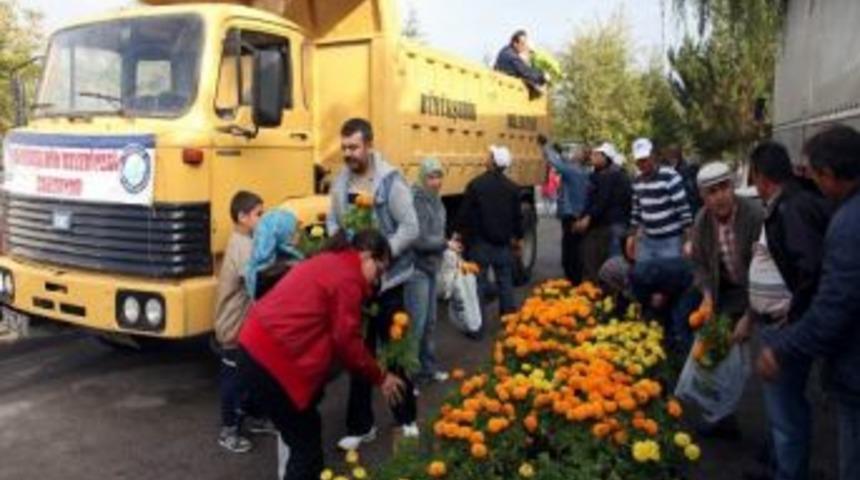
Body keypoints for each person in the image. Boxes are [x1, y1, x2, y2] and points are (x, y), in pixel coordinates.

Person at [237, 230, 406, 480]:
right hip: (272, 362)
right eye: (378, 272)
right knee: (306, 450)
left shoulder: (328, 260)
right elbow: (347, 342)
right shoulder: (348, 278)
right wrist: (381, 377)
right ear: (367, 256)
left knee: (306, 431)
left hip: (254, 348)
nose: (376, 282)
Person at [758, 125, 860, 480]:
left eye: (816, 175)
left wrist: (785, 345)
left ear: (830, 175)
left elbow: (831, 299)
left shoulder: (844, 222)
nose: (814, 183)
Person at [326, 118, 420, 450]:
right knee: (359, 354)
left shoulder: (390, 181)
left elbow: (411, 227)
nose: (348, 153)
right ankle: (360, 425)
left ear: (369, 144)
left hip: (389, 282)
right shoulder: (340, 182)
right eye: (345, 147)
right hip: (356, 284)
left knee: (394, 350)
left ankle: (406, 418)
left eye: (354, 147)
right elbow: (333, 221)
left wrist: (380, 258)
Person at [747, 141, 831, 480]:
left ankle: (789, 473)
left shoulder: (792, 208)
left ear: (762, 176)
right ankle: (782, 466)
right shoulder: (785, 203)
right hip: (779, 323)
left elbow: (810, 269)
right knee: (784, 407)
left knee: (787, 411)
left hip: (786, 328)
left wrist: (793, 316)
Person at [689, 161, 764, 435]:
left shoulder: (755, 216)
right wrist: (707, 296)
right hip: (726, 291)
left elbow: (768, 273)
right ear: (703, 196)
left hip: (759, 289)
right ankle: (722, 417)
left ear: (732, 187)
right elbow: (698, 264)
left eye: (723, 188)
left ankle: (777, 448)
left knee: (761, 363)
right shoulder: (701, 220)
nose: (719, 196)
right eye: (711, 191)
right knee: (718, 354)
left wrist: (749, 317)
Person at [214, 191, 264, 453]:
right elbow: (255, 282)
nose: (262, 219)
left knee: (252, 373)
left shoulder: (245, 240)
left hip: (243, 325)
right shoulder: (242, 246)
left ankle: (254, 417)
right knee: (234, 378)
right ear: (243, 217)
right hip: (234, 326)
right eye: (259, 214)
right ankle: (229, 429)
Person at [405, 158, 458, 384]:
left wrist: (447, 242)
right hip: (416, 269)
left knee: (431, 322)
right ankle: (411, 377)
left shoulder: (436, 201)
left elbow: (436, 232)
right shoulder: (416, 200)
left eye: (438, 177)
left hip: (431, 267)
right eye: (431, 177)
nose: (436, 182)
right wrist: (445, 244)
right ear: (422, 177)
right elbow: (418, 240)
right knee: (416, 325)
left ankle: (429, 367)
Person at [455, 145, 524, 317]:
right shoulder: (513, 188)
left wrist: (458, 235)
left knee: (479, 284)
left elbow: (464, 214)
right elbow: (518, 218)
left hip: (481, 245)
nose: (485, 157)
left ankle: (478, 325)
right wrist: (518, 239)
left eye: (489, 155)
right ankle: (508, 320)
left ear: (493, 161)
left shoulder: (476, 185)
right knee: (505, 282)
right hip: (503, 245)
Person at [627, 138, 693, 262]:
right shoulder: (637, 180)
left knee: (669, 278)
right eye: (639, 160)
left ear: (652, 155)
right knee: (646, 277)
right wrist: (631, 235)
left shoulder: (670, 176)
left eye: (645, 159)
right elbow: (636, 211)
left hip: (671, 240)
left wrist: (689, 239)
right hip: (648, 240)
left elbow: (683, 209)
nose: (642, 163)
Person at [538, 135, 589, 284]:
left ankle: (573, 280)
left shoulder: (573, 171)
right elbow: (563, 161)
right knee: (577, 248)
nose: (572, 153)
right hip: (579, 214)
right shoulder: (583, 170)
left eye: (576, 151)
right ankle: (577, 278)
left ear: (581, 157)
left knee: (570, 250)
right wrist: (557, 151)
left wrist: (545, 145)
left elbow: (556, 163)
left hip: (571, 215)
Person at [578, 142, 632, 280]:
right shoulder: (598, 174)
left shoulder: (612, 175)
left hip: (614, 224)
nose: (592, 157)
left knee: (612, 264)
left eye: (597, 155)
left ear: (606, 157)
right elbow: (591, 199)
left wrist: (588, 217)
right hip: (603, 224)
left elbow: (602, 200)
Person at [245, 209, 302, 300]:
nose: (298, 235)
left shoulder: (256, 264)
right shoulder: (286, 268)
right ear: (282, 234)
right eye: (294, 230)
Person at [665, 146, 702, 215]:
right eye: (669, 156)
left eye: (672, 155)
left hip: (692, 204)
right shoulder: (672, 170)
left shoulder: (686, 168)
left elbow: (692, 189)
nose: (670, 159)